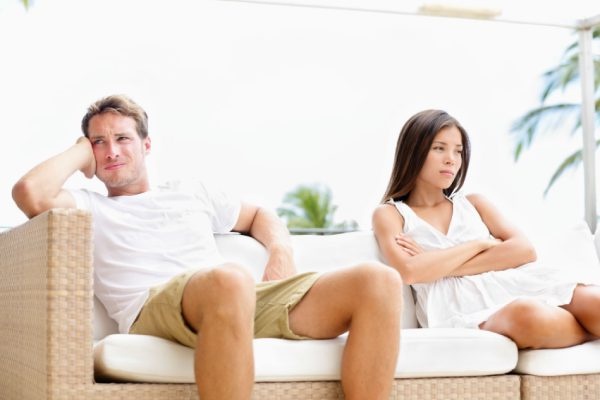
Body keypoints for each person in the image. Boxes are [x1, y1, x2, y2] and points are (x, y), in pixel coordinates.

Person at [12, 94, 402, 400]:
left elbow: (258, 214)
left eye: (122, 138)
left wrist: (281, 252)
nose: (111, 151)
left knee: (379, 281)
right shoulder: (90, 205)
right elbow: (30, 192)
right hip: (158, 307)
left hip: (234, 300)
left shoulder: (190, 192)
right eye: (100, 142)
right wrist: (80, 151)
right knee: (229, 279)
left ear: (147, 145)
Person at [372, 108, 600, 350]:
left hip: (513, 282)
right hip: (459, 307)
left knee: (595, 301)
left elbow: (524, 250)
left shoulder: (474, 203)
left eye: (458, 151)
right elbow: (410, 271)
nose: (451, 159)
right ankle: (591, 334)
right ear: (413, 151)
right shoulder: (390, 214)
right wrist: (479, 245)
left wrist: (437, 266)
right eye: (439, 148)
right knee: (526, 315)